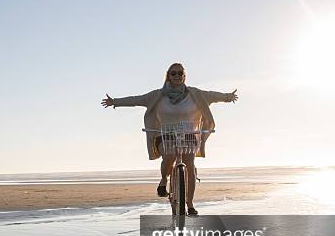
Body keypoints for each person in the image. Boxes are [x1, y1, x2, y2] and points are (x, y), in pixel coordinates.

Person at [101, 62, 237, 215]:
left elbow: (213, 95)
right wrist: (115, 102)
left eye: (180, 73)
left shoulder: (196, 94)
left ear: (184, 76)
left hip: (189, 136)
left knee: (190, 165)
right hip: (164, 135)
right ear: (168, 76)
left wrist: (228, 97)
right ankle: (164, 179)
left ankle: (190, 204)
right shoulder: (157, 95)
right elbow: (136, 99)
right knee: (170, 155)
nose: (177, 76)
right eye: (174, 73)